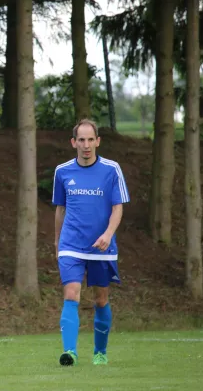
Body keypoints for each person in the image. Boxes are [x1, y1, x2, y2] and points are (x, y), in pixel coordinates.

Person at [52, 119, 130, 366]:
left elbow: (118, 208)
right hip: (71, 244)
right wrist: (57, 242)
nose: (86, 145)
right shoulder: (62, 171)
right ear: (73, 143)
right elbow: (60, 210)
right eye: (81, 140)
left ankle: (100, 352)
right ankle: (70, 353)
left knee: (100, 300)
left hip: (101, 247)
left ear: (98, 141)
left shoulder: (111, 169)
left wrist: (108, 234)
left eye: (90, 140)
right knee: (71, 293)